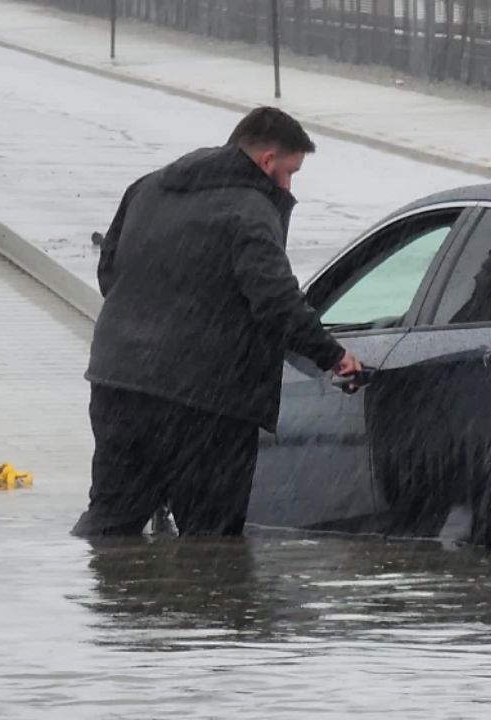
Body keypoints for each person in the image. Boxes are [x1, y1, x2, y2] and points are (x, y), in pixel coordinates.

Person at [71, 107, 363, 539]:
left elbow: (110, 274)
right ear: (267, 162)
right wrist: (333, 355)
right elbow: (275, 301)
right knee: (210, 537)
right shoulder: (251, 210)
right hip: (206, 402)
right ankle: (209, 607)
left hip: (119, 384)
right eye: (290, 171)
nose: (289, 185)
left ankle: (108, 602)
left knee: (112, 518)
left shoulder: (148, 187)